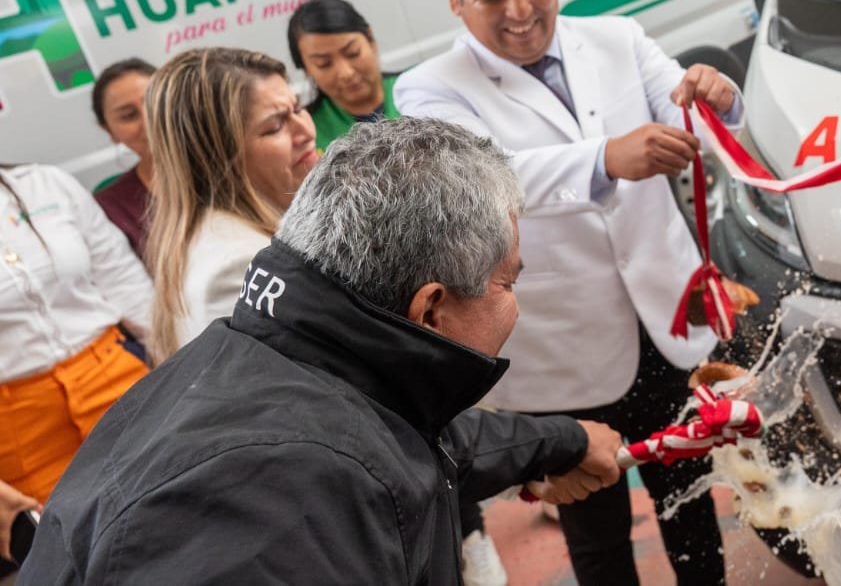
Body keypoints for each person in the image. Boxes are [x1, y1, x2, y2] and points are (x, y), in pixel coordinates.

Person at [19, 118, 626, 584]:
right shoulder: (278, 499)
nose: (514, 301)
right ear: (431, 308)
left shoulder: (285, 357)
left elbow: (403, 437)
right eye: (508, 282)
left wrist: (563, 442)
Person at [396, 0, 738, 586]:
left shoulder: (617, 37)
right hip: (564, 350)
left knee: (693, 503)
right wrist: (604, 157)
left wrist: (714, 94)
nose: (521, 10)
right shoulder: (429, 89)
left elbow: (693, 121)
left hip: (664, 322)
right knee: (596, 529)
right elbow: (485, 179)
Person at [142, 47, 319, 361]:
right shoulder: (240, 266)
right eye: (275, 127)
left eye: (298, 107)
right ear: (217, 157)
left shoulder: (220, 237)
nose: (305, 130)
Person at [0, 163, 151, 522]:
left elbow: (128, 286)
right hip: (19, 431)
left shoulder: (45, 184)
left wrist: (191, 376)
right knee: (71, 556)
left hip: (120, 380)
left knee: (185, 512)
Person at [286, 0, 401, 149]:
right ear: (306, 69)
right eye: (324, 64)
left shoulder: (418, 88)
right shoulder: (307, 135)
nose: (346, 73)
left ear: (370, 39)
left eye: (353, 53)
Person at [88, 58, 157, 257]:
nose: (148, 120)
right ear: (110, 132)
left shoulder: (236, 163)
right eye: (128, 115)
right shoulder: (108, 209)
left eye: (153, 101)